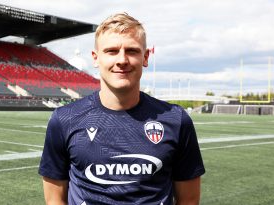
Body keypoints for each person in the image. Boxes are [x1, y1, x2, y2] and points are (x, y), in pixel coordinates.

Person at [39, 12, 205, 205]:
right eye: (111, 51)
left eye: (132, 51)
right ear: (95, 58)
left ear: (145, 57)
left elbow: (189, 199)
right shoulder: (64, 119)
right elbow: (54, 200)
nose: (122, 60)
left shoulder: (176, 119)